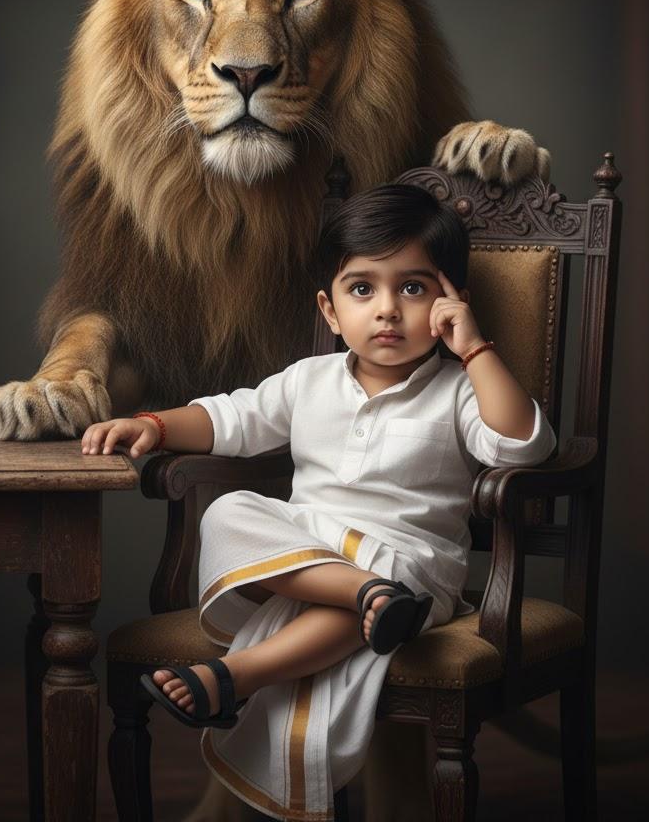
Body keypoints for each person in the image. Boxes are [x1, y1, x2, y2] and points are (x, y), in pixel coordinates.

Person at [81, 183, 556, 821]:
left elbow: (521, 448)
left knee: (387, 589)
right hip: (315, 562)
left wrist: (474, 349)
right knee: (228, 510)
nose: (387, 310)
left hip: (411, 568)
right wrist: (156, 426)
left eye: (413, 289)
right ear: (330, 311)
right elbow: (230, 419)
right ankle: (362, 595)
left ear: (450, 304)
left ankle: (239, 674)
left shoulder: (458, 388)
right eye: (362, 289)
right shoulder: (310, 380)